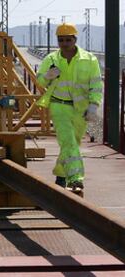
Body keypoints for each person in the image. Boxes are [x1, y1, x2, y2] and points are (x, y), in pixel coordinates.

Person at [37, 23, 103, 191]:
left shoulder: (89, 60)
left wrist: (94, 105)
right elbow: (40, 81)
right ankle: (75, 179)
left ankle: (60, 176)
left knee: (72, 144)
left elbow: (96, 84)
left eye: (68, 40)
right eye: (61, 40)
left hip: (80, 109)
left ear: (75, 39)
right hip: (59, 106)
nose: (64, 43)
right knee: (68, 142)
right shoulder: (51, 59)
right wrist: (48, 75)